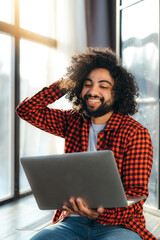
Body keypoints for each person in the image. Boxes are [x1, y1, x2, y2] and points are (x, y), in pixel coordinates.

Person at [16, 47, 158, 240]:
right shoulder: (72, 121)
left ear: (117, 93)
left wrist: (100, 214)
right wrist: (70, 80)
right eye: (87, 84)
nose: (93, 91)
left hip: (119, 225)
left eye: (104, 86)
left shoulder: (135, 133)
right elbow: (27, 110)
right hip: (72, 221)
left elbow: (135, 195)